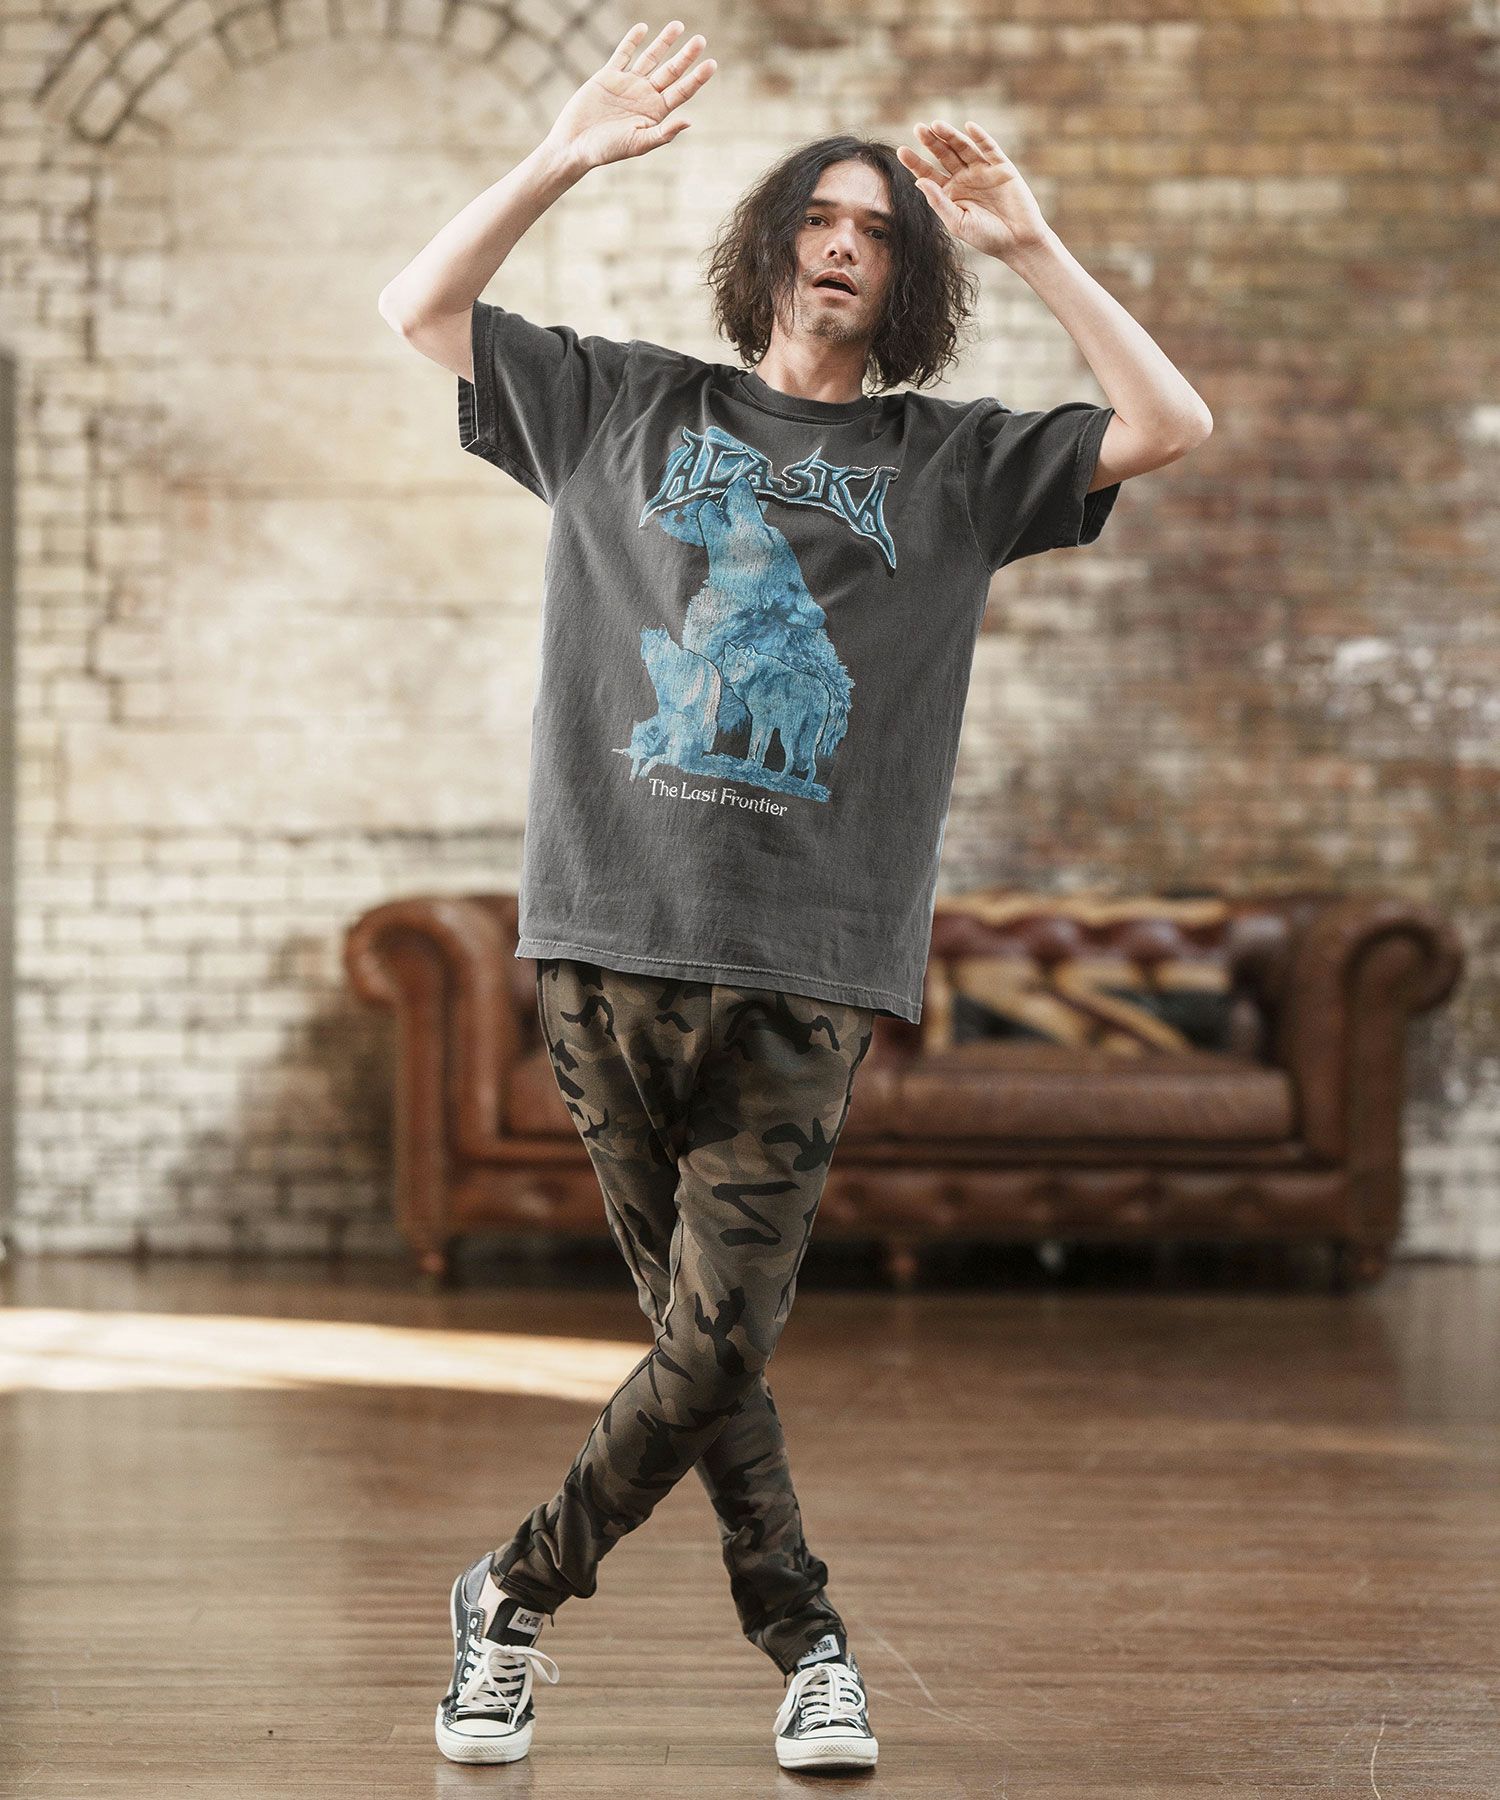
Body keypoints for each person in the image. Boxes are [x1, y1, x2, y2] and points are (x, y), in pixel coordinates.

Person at [378, 16, 1211, 1774]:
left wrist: (1033, 242)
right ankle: (811, 1649)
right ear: (768, 246)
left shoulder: (953, 464)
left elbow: (1169, 421)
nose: (845, 245)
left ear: (908, 280)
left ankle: (512, 1595)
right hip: (609, 936)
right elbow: (419, 307)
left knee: (717, 1337)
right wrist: (563, 153)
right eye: (821, 218)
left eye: (880, 231)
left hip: (814, 958)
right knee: (706, 1347)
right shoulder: (619, 404)